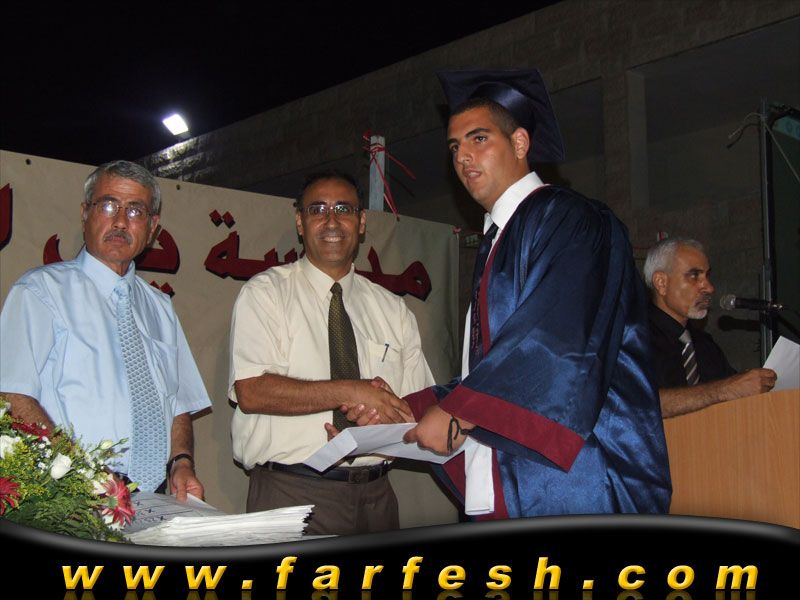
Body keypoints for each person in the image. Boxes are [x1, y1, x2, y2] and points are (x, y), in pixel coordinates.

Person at [403, 68, 672, 518]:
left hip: (583, 482)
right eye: (454, 147)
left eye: (478, 139)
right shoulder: (500, 238)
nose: (463, 156)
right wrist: (404, 411)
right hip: (520, 484)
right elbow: (497, 367)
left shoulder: (573, 220)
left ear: (520, 143)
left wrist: (459, 413)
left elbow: (557, 345)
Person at [229, 170, 434, 535]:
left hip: (377, 497)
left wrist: (385, 423)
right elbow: (251, 391)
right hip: (290, 494)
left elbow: (418, 409)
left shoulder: (393, 309)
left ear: (362, 222)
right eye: (317, 209)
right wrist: (351, 391)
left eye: (343, 209)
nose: (331, 221)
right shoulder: (266, 294)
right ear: (300, 222)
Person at [0, 160, 211, 500]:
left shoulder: (161, 307)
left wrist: (181, 463)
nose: (120, 221)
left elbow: (178, 403)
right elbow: (12, 395)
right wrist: (79, 474)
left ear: (152, 227)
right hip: (71, 496)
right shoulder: (41, 292)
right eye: (109, 206)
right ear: (85, 213)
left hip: (156, 497)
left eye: (135, 210)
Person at [644, 237, 776, 418]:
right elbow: (639, 404)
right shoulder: (631, 338)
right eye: (694, 276)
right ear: (661, 282)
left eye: (707, 276)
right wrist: (725, 389)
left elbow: (734, 396)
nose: (709, 288)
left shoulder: (705, 345)